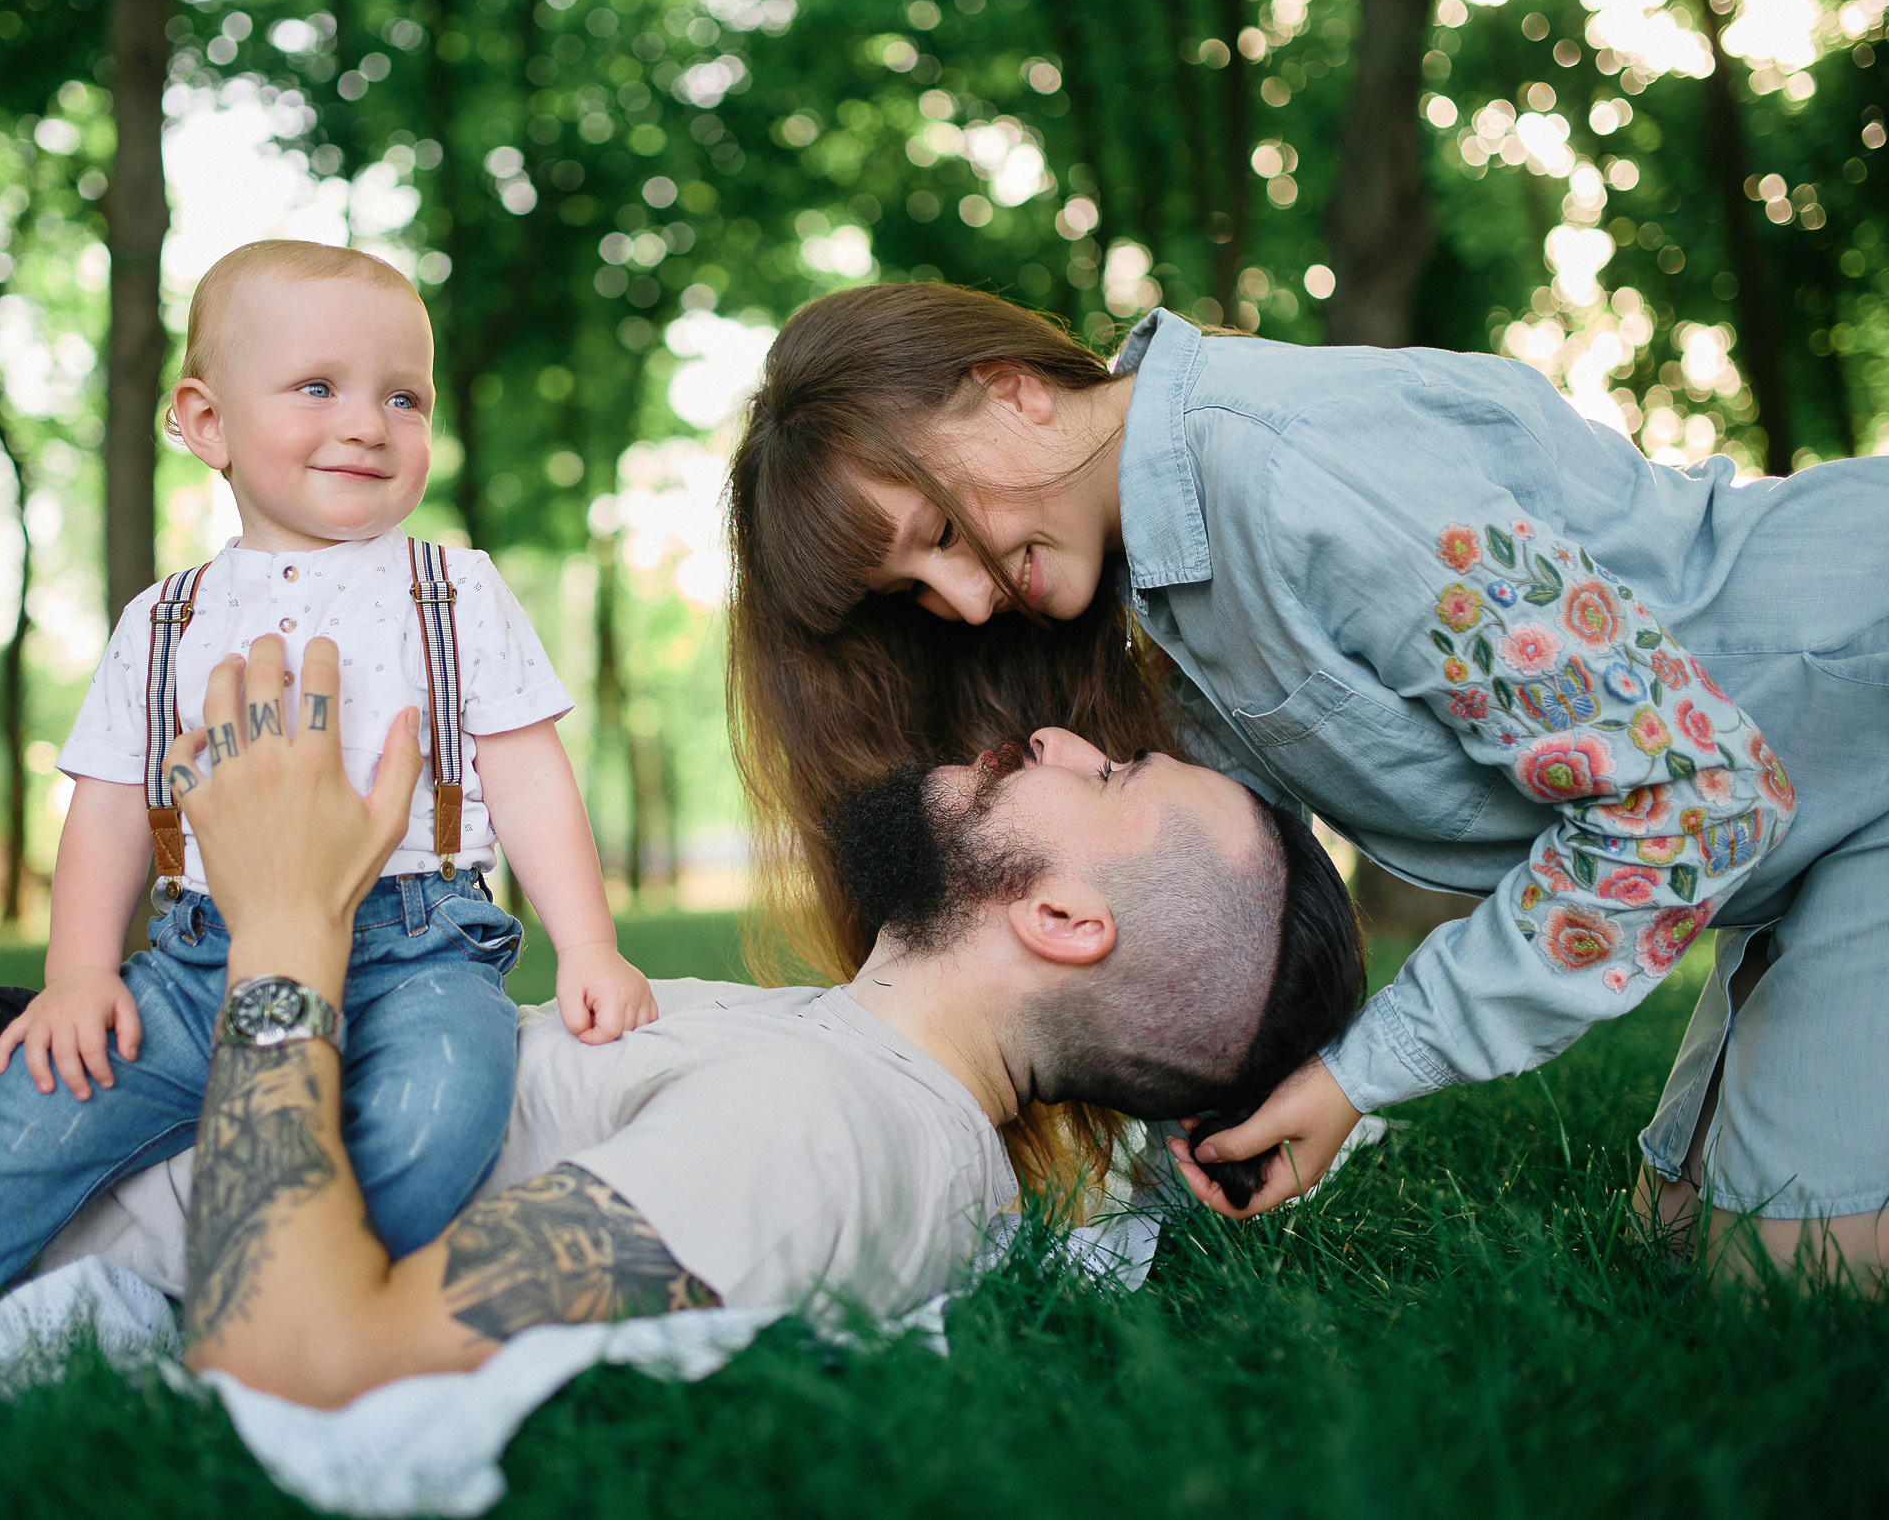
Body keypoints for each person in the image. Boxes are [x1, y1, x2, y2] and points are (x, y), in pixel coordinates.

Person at [0, 636, 1366, 1401]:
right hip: (72, 1062)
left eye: (1103, 774)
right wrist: (1323, 1085)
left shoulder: (826, 1135)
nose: (1052, 733)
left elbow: (315, 1337)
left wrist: (294, 916)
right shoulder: (905, 1091)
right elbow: (1207, 1063)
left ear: (1058, 914)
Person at [726, 282, 1889, 1284]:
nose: (967, 603)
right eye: (914, 590)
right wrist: (1154, 1196)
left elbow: (1689, 794)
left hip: (1845, 697)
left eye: (935, 527)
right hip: (1820, 822)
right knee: (1688, 1253)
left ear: (1009, 386)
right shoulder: (1171, 582)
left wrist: (1365, 1073)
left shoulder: (1295, 476)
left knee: (1801, 1285)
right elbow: (1209, 922)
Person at [0, 242, 655, 1329]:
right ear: (206, 421)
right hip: (196, 957)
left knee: (439, 1110)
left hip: (419, 951)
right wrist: (80, 970)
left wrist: (587, 942)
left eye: (403, 397)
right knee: (36, 1103)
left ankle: (286, 1300)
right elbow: (112, 802)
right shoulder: (164, 619)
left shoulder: (453, 590)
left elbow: (527, 768)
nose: (367, 422)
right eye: (318, 387)